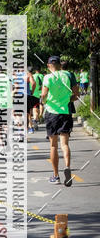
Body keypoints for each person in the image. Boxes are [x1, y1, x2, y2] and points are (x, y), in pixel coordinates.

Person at [41, 56, 74, 186]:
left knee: (53, 145)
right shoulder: (69, 75)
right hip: (65, 112)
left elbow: (43, 95)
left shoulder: (47, 78)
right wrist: (65, 100)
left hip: (52, 113)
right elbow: (75, 95)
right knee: (64, 144)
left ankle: (56, 176)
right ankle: (67, 167)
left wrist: (43, 101)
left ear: (49, 66)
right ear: (60, 65)